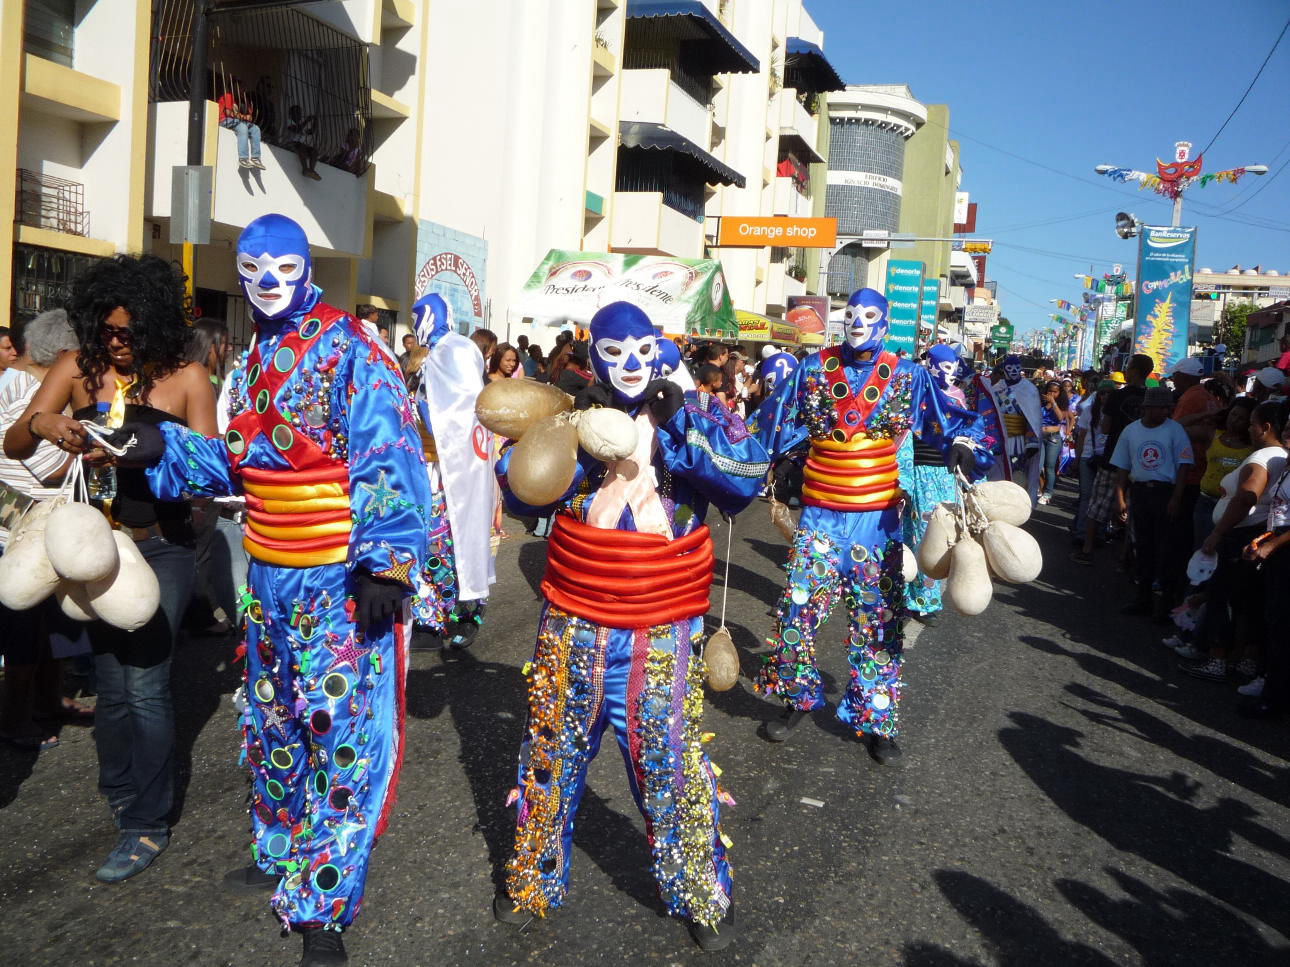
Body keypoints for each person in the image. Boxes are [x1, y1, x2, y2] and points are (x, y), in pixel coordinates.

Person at [140, 215, 430, 965]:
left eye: (284, 267)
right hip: (267, 579)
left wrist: (385, 565)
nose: (268, 281)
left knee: (341, 737)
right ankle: (280, 851)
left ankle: (323, 902)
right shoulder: (254, 355)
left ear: (308, 268)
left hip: (336, 578)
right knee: (274, 724)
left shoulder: (351, 347)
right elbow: (238, 467)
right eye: (253, 267)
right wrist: (156, 446)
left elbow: (389, 454)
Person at [491, 302, 769, 951]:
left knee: (668, 761)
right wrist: (571, 431)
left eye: (641, 349)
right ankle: (532, 877)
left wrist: (677, 426)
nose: (629, 364)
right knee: (550, 753)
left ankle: (698, 886)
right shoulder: (570, 413)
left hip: (659, 625)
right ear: (594, 359)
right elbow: (519, 492)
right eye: (613, 353)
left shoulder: (690, 414)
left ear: (659, 350)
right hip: (573, 619)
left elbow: (745, 479)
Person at [3, 256, 216, 883]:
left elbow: (208, 477)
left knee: (146, 681)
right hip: (90, 547)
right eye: (107, 330)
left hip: (163, 545)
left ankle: (146, 823)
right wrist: (44, 421)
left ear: (153, 325)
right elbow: (15, 442)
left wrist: (146, 453)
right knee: (111, 677)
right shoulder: (77, 365)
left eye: (129, 332)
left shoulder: (186, 377)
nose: (117, 342)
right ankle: (122, 787)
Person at [750, 288, 990, 764]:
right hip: (819, 519)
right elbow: (771, 422)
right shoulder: (813, 368)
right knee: (795, 615)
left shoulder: (907, 374)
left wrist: (963, 446)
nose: (858, 322)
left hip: (876, 526)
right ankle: (797, 699)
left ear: (883, 322)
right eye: (852, 314)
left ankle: (876, 721)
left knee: (878, 625)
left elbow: (952, 421)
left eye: (869, 315)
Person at [0, 309, 80, 752]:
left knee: (49, 620)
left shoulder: (19, 383)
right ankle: (14, 718)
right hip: (19, 526)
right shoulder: (25, 392)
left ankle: (50, 702)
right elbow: (51, 467)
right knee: (24, 623)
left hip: (35, 522)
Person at [408, 293, 495, 650]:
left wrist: (434, 414)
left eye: (421, 315)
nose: (418, 322)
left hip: (457, 466)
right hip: (425, 464)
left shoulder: (457, 350)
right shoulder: (426, 356)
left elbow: (467, 408)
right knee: (426, 541)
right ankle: (429, 618)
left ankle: (462, 613)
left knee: (456, 538)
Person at [1180, 402, 1286, 681]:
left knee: (1221, 596)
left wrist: (1218, 532)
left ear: (1265, 428)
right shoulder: (1280, 457)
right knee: (1246, 601)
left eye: (1252, 423)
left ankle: (1217, 659)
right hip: (1256, 534)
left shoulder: (1262, 458)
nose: (1248, 428)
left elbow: (1247, 497)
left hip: (1239, 534)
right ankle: (1245, 661)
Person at [1108, 386, 1193, 617]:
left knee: (1166, 547)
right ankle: (1143, 597)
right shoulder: (1131, 431)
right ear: (1148, 408)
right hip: (1141, 492)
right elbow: (1123, 467)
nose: (1165, 411)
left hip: (1165, 492)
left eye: (1167, 407)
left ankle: (1165, 601)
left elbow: (1184, 466)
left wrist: (1177, 497)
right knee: (1143, 546)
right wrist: (1120, 497)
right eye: (1160, 407)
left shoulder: (1175, 430)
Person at [899, 344, 967, 621]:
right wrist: (902, 478)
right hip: (917, 472)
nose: (948, 373)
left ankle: (928, 599)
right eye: (944, 366)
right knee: (913, 533)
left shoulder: (959, 398)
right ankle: (906, 595)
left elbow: (967, 436)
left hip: (946, 474)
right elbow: (903, 435)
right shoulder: (917, 394)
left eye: (952, 367)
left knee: (941, 534)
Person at [1241, 416, 1290, 717]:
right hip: (1276, 551)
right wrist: (1262, 540)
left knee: (1283, 627)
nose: (1288, 435)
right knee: (1273, 621)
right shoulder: (1285, 467)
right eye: (1287, 429)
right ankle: (1271, 688)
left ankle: (1275, 701)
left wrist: (1272, 545)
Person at [1190, 399, 1255, 549]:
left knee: (1224, 549)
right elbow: (1179, 425)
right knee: (1201, 547)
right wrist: (1208, 414)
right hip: (1206, 502)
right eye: (1233, 415)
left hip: (1231, 506)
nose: (1235, 421)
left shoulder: (1253, 445)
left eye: (1241, 418)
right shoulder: (1213, 434)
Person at [990, 355, 1043, 504]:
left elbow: (1034, 418)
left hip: (1022, 440)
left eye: (1016, 368)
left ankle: (1021, 507)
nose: (1013, 371)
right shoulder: (996, 388)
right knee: (1002, 476)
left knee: (1021, 478)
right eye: (1009, 368)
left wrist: (1032, 441)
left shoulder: (1029, 389)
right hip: (1001, 439)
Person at [217, 78, 264, 170]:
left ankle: (256, 157)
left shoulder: (244, 101)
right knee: (243, 127)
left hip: (238, 122)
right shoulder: (228, 96)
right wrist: (243, 117)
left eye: (243, 88)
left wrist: (245, 117)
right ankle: (243, 158)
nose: (242, 90)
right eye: (239, 87)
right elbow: (228, 113)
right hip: (224, 120)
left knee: (255, 129)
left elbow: (250, 117)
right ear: (232, 88)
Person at [1037, 379, 1068, 505]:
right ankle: (1039, 488)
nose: (1051, 394)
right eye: (1050, 391)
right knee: (1038, 466)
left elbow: (1061, 417)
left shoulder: (1062, 404)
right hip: (1040, 436)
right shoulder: (1040, 403)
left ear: (1059, 393)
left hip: (1053, 438)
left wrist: (1053, 403)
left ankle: (1048, 492)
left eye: (1055, 392)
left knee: (1049, 467)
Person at [285, 105, 321, 181]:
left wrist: (315, 121)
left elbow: (311, 131)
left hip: (301, 146)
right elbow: (297, 130)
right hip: (291, 144)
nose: (300, 115)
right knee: (302, 146)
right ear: (291, 114)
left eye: (300, 113)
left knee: (314, 151)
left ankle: (311, 170)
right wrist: (307, 121)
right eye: (297, 113)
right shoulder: (289, 121)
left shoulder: (301, 124)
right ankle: (305, 169)